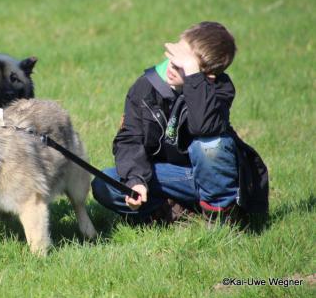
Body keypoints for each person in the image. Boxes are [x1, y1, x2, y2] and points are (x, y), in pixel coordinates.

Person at [92, 22, 269, 224]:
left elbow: (203, 127)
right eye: (174, 58)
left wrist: (193, 75)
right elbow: (129, 138)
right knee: (105, 183)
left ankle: (222, 217)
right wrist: (136, 181)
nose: (172, 67)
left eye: (182, 65)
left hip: (207, 178)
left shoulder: (220, 90)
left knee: (210, 145)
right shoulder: (145, 87)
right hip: (169, 177)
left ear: (207, 76)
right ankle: (175, 213)